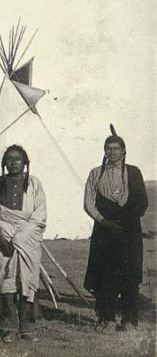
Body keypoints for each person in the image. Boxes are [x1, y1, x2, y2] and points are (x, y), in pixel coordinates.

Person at [83, 126, 148, 333]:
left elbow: (142, 203)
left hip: (129, 232)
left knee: (129, 276)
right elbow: (89, 203)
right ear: (104, 151)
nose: (112, 152)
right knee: (105, 276)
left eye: (116, 148)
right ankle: (107, 319)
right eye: (108, 148)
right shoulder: (95, 174)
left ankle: (130, 321)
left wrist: (123, 220)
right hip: (104, 232)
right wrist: (104, 221)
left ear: (123, 151)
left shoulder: (134, 172)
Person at [0, 145, 46, 343]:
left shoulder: (35, 185)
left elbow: (39, 216)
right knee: (7, 284)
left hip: (28, 241)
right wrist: (2, 239)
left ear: (25, 163)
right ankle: (9, 328)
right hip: (4, 240)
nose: (14, 163)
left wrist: (19, 238)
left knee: (27, 283)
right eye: (9, 159)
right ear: (4, 163)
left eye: (18, 159)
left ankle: (28, 329)